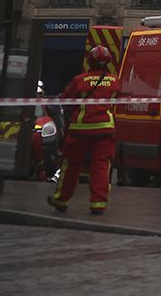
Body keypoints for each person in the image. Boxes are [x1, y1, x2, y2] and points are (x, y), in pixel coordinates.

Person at [49, 45, 119, 216]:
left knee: (71, 166)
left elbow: (66, 100)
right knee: (101, 167)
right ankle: (98, 204)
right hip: (104, 130)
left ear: (90, 61)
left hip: (80, 130)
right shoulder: (114, 81)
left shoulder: (80, 80)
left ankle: (61, 200)